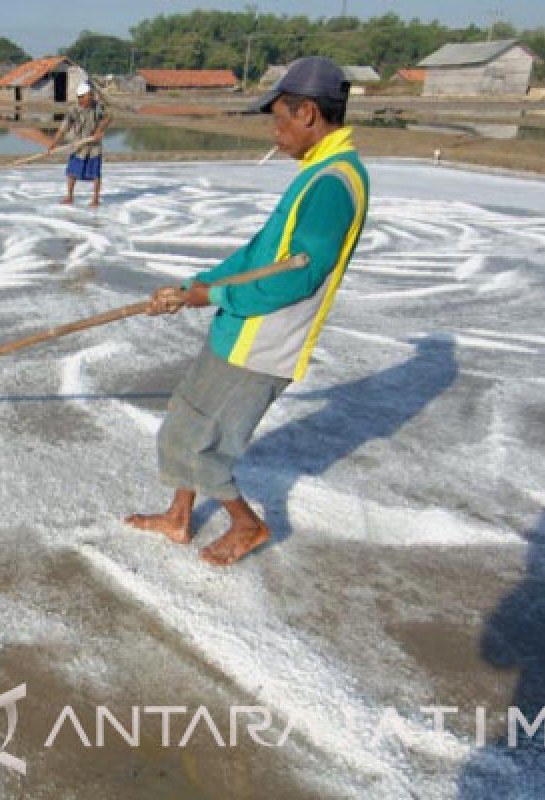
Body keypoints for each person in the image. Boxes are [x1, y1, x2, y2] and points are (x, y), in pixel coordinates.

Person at [124, 56, 370, 567]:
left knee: (206, 447)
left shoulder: (332, 183)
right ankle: (178, 517)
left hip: (262, 344)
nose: (275, 132)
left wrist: (211, 296)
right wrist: (198, 286)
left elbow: (295, 276)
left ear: (307, 114)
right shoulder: (316, 172)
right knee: (182, 421)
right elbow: (261, 253)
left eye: (279, 119)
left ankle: (248, 525)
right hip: (236, 330)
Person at [47, 81, 110, 207]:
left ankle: (95, 199)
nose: (91, 97)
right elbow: (63, 129)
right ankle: (69, 196)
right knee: (72, 172)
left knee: (95, 173)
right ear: (81, 98)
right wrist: (53, 144)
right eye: (89, 96)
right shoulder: (73, 111)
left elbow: (108, 117)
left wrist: (99, 130)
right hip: (78, 145)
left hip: (94, 146)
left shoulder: (98, 107)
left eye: (91, 95)